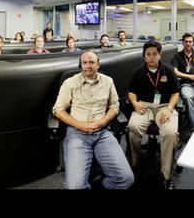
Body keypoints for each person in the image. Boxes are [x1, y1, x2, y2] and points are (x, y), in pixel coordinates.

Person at [52, 50, 134, 189]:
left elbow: (114, 106)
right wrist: (80, 125)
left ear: (98, 64)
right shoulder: (70, 82)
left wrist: (102, 121)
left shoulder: (108, 81)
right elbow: (58, 109)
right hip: (77, 134)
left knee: (126, 179)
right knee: (75, 187)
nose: (88, 66)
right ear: (81, 65)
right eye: (84, 62)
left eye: (92, 62)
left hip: (102, 133)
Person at [127, 40, 179, 189]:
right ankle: (135, 165)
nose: (151, 57)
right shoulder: (138, 72)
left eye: (154, 54)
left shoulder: (168, 71)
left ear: (160, 54)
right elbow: (131, 92)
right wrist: (135, 103)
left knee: (169, 133)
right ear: (144, 56)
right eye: (148, 54)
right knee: (133, 127)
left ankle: (166, 175)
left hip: (164, 106)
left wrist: (169, 109)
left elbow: (175, 93)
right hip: (144, 106)